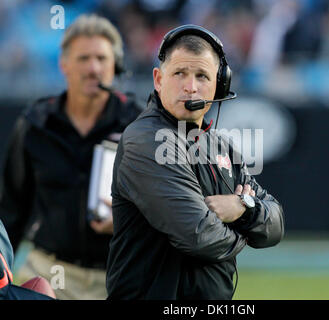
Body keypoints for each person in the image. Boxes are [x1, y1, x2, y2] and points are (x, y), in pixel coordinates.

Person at [106, 24, 284, 300]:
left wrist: (243, 208)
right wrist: (245, 234)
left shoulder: (221, 146)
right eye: (179, 74)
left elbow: (276, 224)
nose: (190, 87)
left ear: (219, 84)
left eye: (202, 76)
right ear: (158, 80)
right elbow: (199, 236)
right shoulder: (145, 141)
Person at [0, 14, 143, 300]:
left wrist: (127, 220)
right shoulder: (36, 123)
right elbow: (11, 210)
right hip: (48, 271)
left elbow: (166, 208)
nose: (93, 68)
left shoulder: (139, 125)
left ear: (115, 64)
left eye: (102, 58)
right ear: (63, 64)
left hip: (120, 273)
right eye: (83, 58)